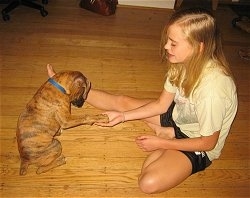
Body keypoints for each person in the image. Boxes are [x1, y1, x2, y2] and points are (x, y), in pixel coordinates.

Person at [47, 7, 238, 194]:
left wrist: (161, 143)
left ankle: (168, 135)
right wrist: (123, 116)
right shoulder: (181, 64)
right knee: (122, 102)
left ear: (198, 47)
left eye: (173, 43)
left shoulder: (213, 90)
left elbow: (208, 143)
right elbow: (161, 105)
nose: (166, 46)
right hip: (180, 116)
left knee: (147, 183)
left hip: (198, 141)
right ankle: (67, 90)